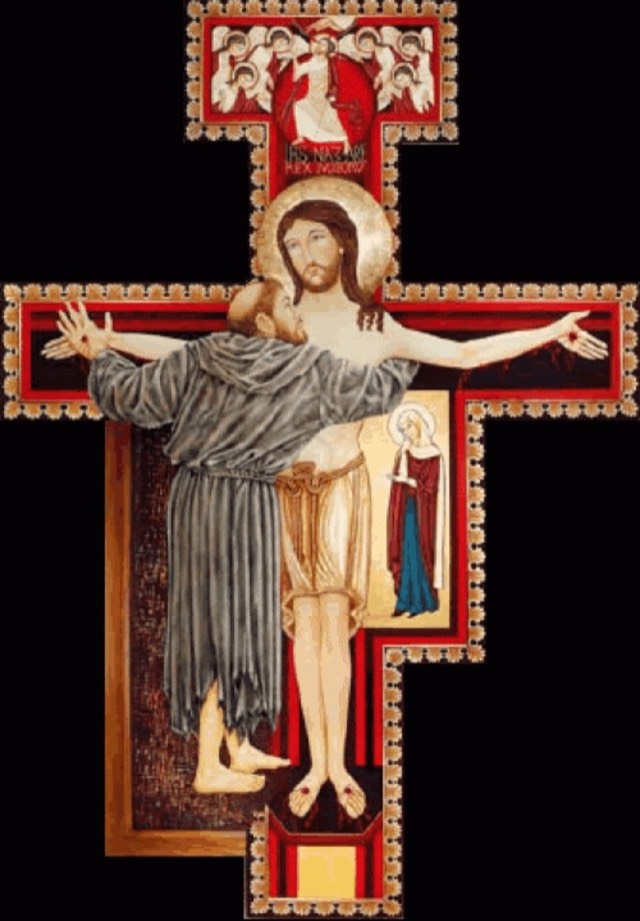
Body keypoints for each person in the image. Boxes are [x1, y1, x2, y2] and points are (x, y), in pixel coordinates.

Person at [45, 197, 607, 819]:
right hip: (277, 492)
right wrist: (110, 340)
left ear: (344, 242)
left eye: (316, 239)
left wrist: (550, 331)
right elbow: (188, 355)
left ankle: (332, 766)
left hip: (340, 485)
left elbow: (466, 354)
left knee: (332, 627)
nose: (304, 254)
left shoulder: (376, 328)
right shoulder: (279, 320)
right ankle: (312, 762)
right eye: (293, 244)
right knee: (299, 630)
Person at [51, 280, 419, 796]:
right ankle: (208, 766)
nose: (299, 312)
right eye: (287, 305)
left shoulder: (203, 357)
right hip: (228, 504)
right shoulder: (300, 369)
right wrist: (399, 346)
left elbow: (130, 394)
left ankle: (236, 742)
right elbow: (371, 390)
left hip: (220, 500)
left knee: (241, 623)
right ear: (264, 323)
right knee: (216, 627)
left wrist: (102, 355)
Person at [387, 405, 444, 617]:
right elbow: (399, 482)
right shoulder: (405, 452)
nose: (406, 434)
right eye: (403, 431)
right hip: (407, 509)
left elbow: (431, 487)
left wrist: (409, 482)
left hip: (424, 513)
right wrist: (402, 455)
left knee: (418, 553)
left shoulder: (433, 454)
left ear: (418, 426)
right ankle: (404, 601)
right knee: (405, 552)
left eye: (408, 429)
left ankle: (421, 602)